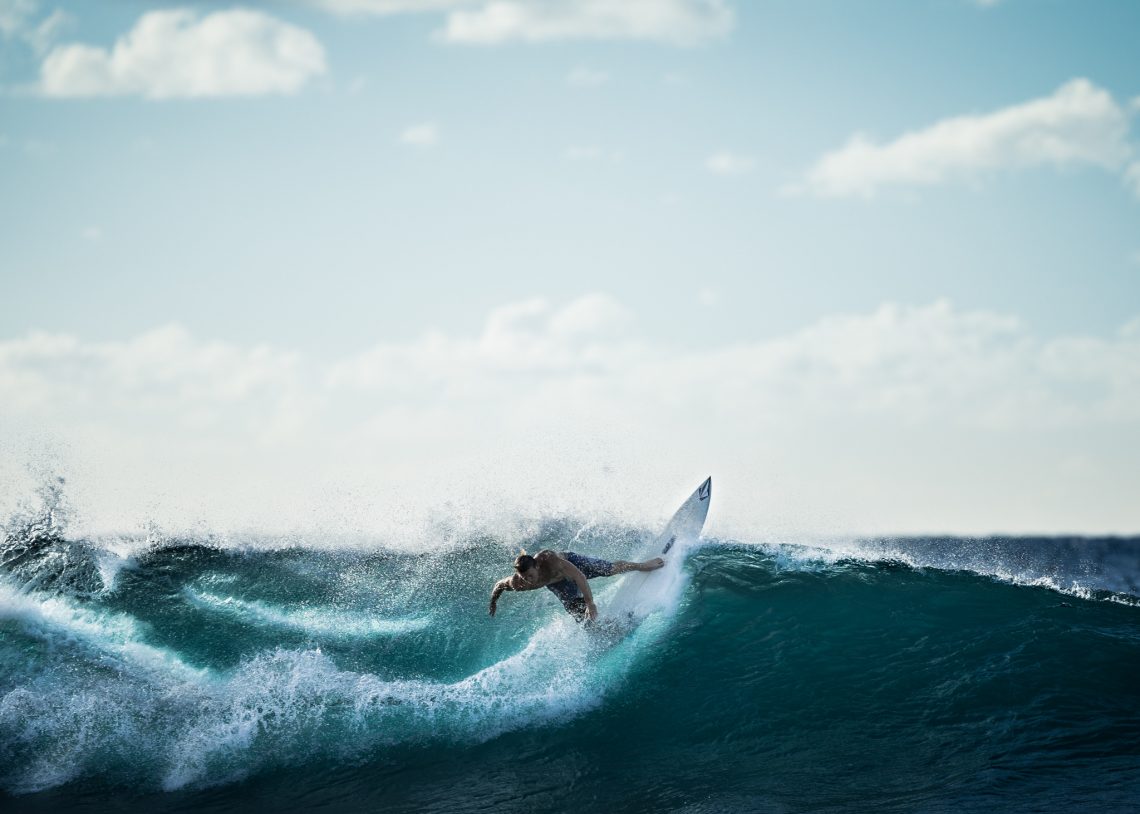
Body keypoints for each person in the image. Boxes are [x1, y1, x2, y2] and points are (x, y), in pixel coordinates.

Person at [488, 549, 664, 623]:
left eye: (531, 576)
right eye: (525, 578)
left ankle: (642, 565)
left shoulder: (551, 559)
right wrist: (493, 602)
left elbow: (579, 576)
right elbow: (499, 585)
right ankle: (604, 629)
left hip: (572, 565)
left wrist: (591, 603)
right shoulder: (519, 583)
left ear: (537, 566)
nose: (529, 581)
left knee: (608, 569)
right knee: (577, 613)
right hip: (558, 585)